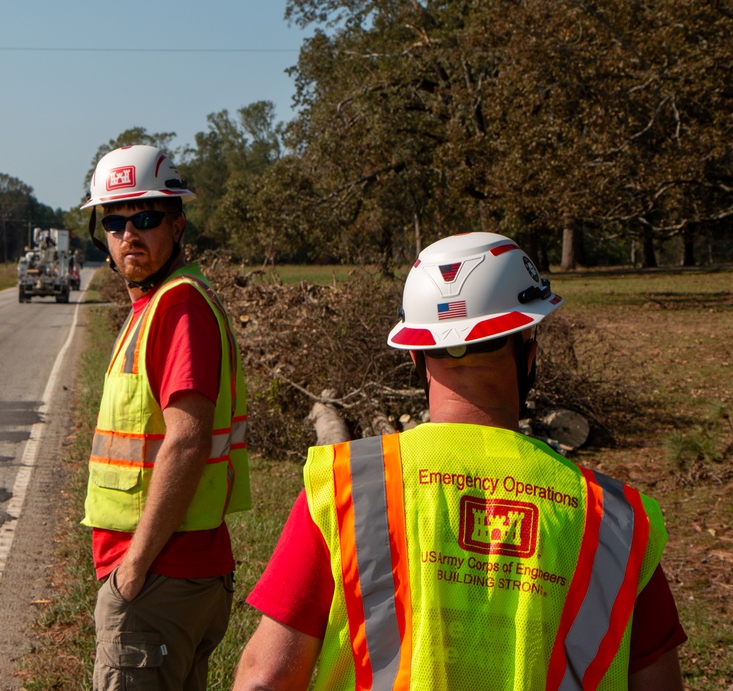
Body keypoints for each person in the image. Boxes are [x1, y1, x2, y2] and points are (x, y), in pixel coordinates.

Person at [234, 232, 685, 690]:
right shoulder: (618, 523)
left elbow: (266, 678)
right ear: (528, 349)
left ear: (414, 352)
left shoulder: (348, 485)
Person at [79, 144, 251, 690]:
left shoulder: (178, 306)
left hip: (159, 578)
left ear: (177, 226)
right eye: (115, 221)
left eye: (147, 218)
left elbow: (187, 440)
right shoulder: (154, 308)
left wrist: (132, 571)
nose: (130, 234)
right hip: (169, 578)